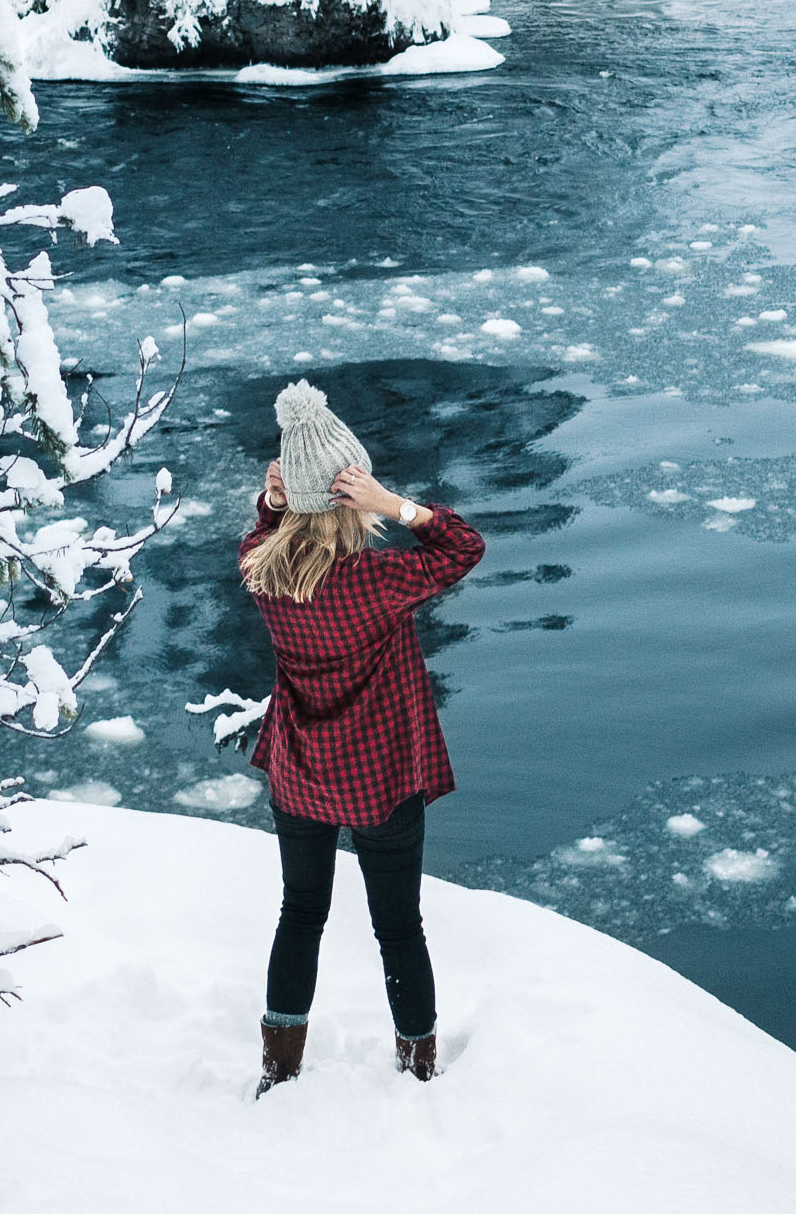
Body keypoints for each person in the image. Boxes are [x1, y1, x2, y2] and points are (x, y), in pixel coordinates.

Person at [239, 379, 484, 1096]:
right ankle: (417, 1068)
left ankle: (279, 1071)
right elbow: (463, 546)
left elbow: (260, 534)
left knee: (300, 914)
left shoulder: (264, 571)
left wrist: (273, 505)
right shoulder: (376, 581)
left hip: (302, 775)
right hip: (381, 778)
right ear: (351, 496)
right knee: (398, 927)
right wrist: (396, 505)